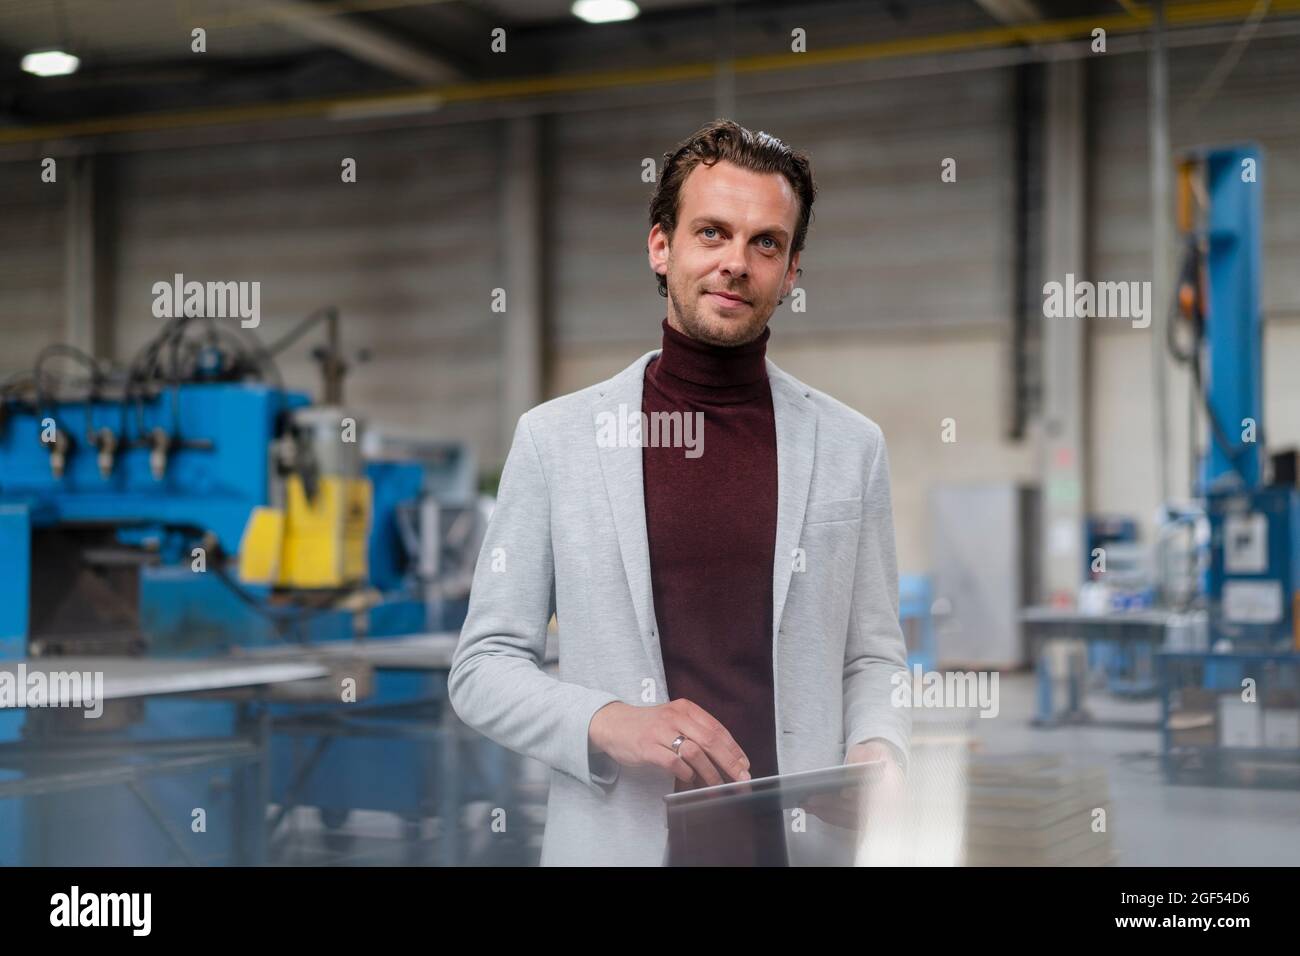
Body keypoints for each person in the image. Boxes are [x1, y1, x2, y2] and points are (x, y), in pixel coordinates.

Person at [450, 118, 909, 866]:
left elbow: (874, 657)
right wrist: (607, 720)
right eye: (712, 233)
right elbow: (484, 665)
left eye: (766, 243)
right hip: (621, 843)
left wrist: (878, 747)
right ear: (661, 246)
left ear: (792, 272)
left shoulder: (852, 447)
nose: (736, 262)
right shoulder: (556, 441)